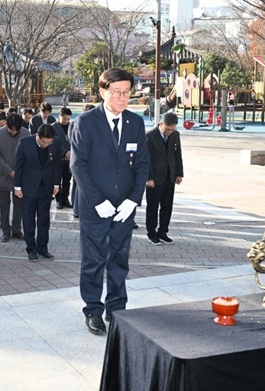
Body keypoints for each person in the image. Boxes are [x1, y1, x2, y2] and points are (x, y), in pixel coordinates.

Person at [70, 68, 149, 336]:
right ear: (103, 92)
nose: (122, 97)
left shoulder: (135, 123)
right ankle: (93, 309)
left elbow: (142, 165)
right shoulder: (86, 122)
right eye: (116, 92)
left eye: (127, 92)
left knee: (119, 259)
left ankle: (116, 308)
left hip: (124, 207)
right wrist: (97, 201)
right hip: (95, 206)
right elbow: (78, 165)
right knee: (93, 260)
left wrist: (133, 200)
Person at [14, 124, 61, 261]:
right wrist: (17, 187)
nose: (47, 145)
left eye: (49, 142)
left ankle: (43, 248)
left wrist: (57, 183)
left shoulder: (56, 142)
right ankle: (31, 249)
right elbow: (18, 165)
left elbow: (57, 164)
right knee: (28, 220)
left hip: (46, 187)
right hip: (28, 188)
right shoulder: (24, 143)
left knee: (44, 220)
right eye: (44, 142)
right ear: (37, 136)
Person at [145, 112, 183, 245]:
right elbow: (146, 160)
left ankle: (163, 231)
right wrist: (148, 178)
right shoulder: (149, 136)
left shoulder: (175, 135)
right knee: (153, 207)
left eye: (173, 129)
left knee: (167, 206)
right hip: (154, 178)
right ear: (161, 124)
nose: (170, 132)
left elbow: (178, 154)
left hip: (170, 176)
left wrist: (179, 173)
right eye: (168, 129)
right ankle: (152, 233)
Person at [0, 113, 30, 243]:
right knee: (4, 205)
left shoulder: (25, 133)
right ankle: (5, 231)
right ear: (6, 125)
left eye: (16, 130)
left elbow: (28, 155)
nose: (14, 132)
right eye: (11, 129)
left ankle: (17, 230)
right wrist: (9, 171)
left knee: (19, 204)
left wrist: (19, 172)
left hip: (21, 177)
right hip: (3, 175)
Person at [52, 108, 73, 209]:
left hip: (70, 158)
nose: (66, 121)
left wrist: (70, 152)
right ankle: (58, 199)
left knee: (67, 180)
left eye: (68, 119)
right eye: (64, 119)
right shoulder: (53, 127)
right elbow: (53, 142)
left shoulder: (72, 126)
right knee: (57, 179)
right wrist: (65, 152)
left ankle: (65, 198)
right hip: (58, 157)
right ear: (59, 116)